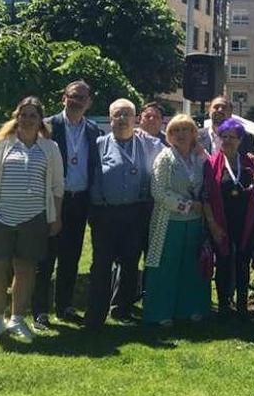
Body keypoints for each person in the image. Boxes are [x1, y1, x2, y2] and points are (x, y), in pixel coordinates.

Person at [85, 99, 163, 328]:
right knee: (101, 264)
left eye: (126, 114)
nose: (121, 119)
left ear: (135, 119)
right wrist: (98, 206)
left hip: (136, 213)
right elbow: (94, 177)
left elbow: (173, 151)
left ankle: (121, 309)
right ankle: (95, 315)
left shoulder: (149, 144)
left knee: (130, 263)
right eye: (117, 115)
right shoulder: (99, 144)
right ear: (110, 119)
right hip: (106, 214)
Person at [0, 98, 64, 342]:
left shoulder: (50, 148)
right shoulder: (1, 144)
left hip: (34, 218)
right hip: (1, 216)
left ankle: (17, 319)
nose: (27, 119)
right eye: (23, 114)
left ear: (40, 120)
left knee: (25, 270)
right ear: (16, 116)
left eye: (33, 115)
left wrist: (55, 217)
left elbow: (57, 186)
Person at [34, 80, 102, 329]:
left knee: (71, 257)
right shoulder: (49, 126)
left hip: (80, 200)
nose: (76, 101)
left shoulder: (94, 130)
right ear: (64, 98)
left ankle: (64, 306)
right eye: (72, 96)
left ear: (89, 102)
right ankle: (40, 310)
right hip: (52, 200)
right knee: (46, 257)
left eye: (82, 97)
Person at [143, 115, 210, 326]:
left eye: (185, 130)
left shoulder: (199, 158)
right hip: (169, 221)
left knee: (191, 267)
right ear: (170, 135)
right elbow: (159, 191)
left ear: (193, 134)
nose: (181, 134)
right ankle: (160, 312)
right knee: (165, 267)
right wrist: (188, 205)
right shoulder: (165, 158)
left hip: (194, 223)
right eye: (176, 130)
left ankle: (189, 309)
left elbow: (210, 182)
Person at [203, 118, 254, 321]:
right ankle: (223, 306)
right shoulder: (211, 164)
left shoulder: (249, 163)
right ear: (218, 139)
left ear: (240, 140)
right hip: (221, 222)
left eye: (232, 137)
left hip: (245, 222)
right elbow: (205, 197)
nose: (227, 141)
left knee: (242, 263)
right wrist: (213, 224)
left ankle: (242, 306)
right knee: (223, 262)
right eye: (224, 137)